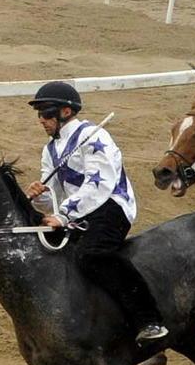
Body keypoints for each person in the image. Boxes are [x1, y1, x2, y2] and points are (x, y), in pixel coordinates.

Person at [25, 81, 168, 343]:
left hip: (111, 206)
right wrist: (40, 195)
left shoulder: (93, 135)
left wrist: (63, 215)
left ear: (65, 112)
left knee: (91, 254)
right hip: (80, 213)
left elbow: (98, 185)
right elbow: (53, 199)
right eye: (39, 114)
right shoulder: (50, 150)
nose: (40, 119)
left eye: (45, 112)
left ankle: (150, 320)